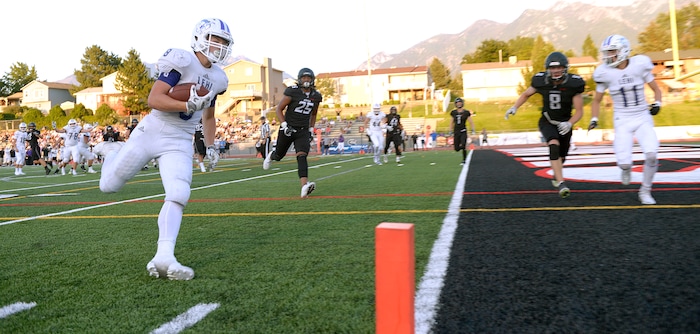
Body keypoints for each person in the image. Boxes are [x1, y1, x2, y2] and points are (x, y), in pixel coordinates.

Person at [99, 18, 232, 280]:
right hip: (153, 132)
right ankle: (112, 154)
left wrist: (211, 145)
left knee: (179, 191)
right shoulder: (181, 59)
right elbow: (154, 98)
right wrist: (186, 105)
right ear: (200, 37)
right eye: (215, 39)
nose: (219, 45)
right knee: (109, 186)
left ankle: (164, 256)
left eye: (224, 42)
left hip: (180, 140)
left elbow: (208, 116)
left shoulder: (219, 78)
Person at [588, 34, 663, 205]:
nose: (608, 56)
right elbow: (597, 100)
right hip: (622, 119)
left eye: (612, 51)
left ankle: (645, 191)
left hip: (642, 116)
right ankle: (625, 168)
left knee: (651, 155)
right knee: (624, 164)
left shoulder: (639, 65)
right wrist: (594, 118)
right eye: (607, 52)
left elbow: (657, 90)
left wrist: (657, 103)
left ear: (623, 51)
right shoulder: (604, 73)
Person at [505, 51, 585, 199]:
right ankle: (561, 184)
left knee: (561, 157)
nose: (555, 71)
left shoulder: (574, 84)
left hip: (565, 124)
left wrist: (569, 123)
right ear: (547, 69)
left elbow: (579, 111)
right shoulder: (541, 81)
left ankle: (557, 175)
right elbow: (526, 94)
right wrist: (514, 107)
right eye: (552, 68)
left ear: (565, 68)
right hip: (547, 121)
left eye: (558, 68)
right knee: (553, 145)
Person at [263, 67, 322, 198]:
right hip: (288, 128)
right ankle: (272, 155)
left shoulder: (316, 96)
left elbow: (314, 114)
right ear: (299, 79)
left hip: (303, 130)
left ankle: (304, 187)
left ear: (312, 80)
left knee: (302, 156)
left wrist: (311, 129)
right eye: (304, 78)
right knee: (279, 155)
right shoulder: (292, 92)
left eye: (308, 78)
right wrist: (284, 125)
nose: (306, 80)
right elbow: (279, 109)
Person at [449, 97, 476, 165]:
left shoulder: (466, 112)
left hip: (463, 130)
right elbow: (451, 122)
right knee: (457, 149)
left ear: (462, 103)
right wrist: (450, 131)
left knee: (463, 145)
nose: (459, 104)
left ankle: (464, 160)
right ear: (455, 104)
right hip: (456, 131)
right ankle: (461, 147)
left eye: (460, 102)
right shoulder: (453, 112)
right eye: (457, 103)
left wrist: (473, 130)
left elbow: (471, 122)